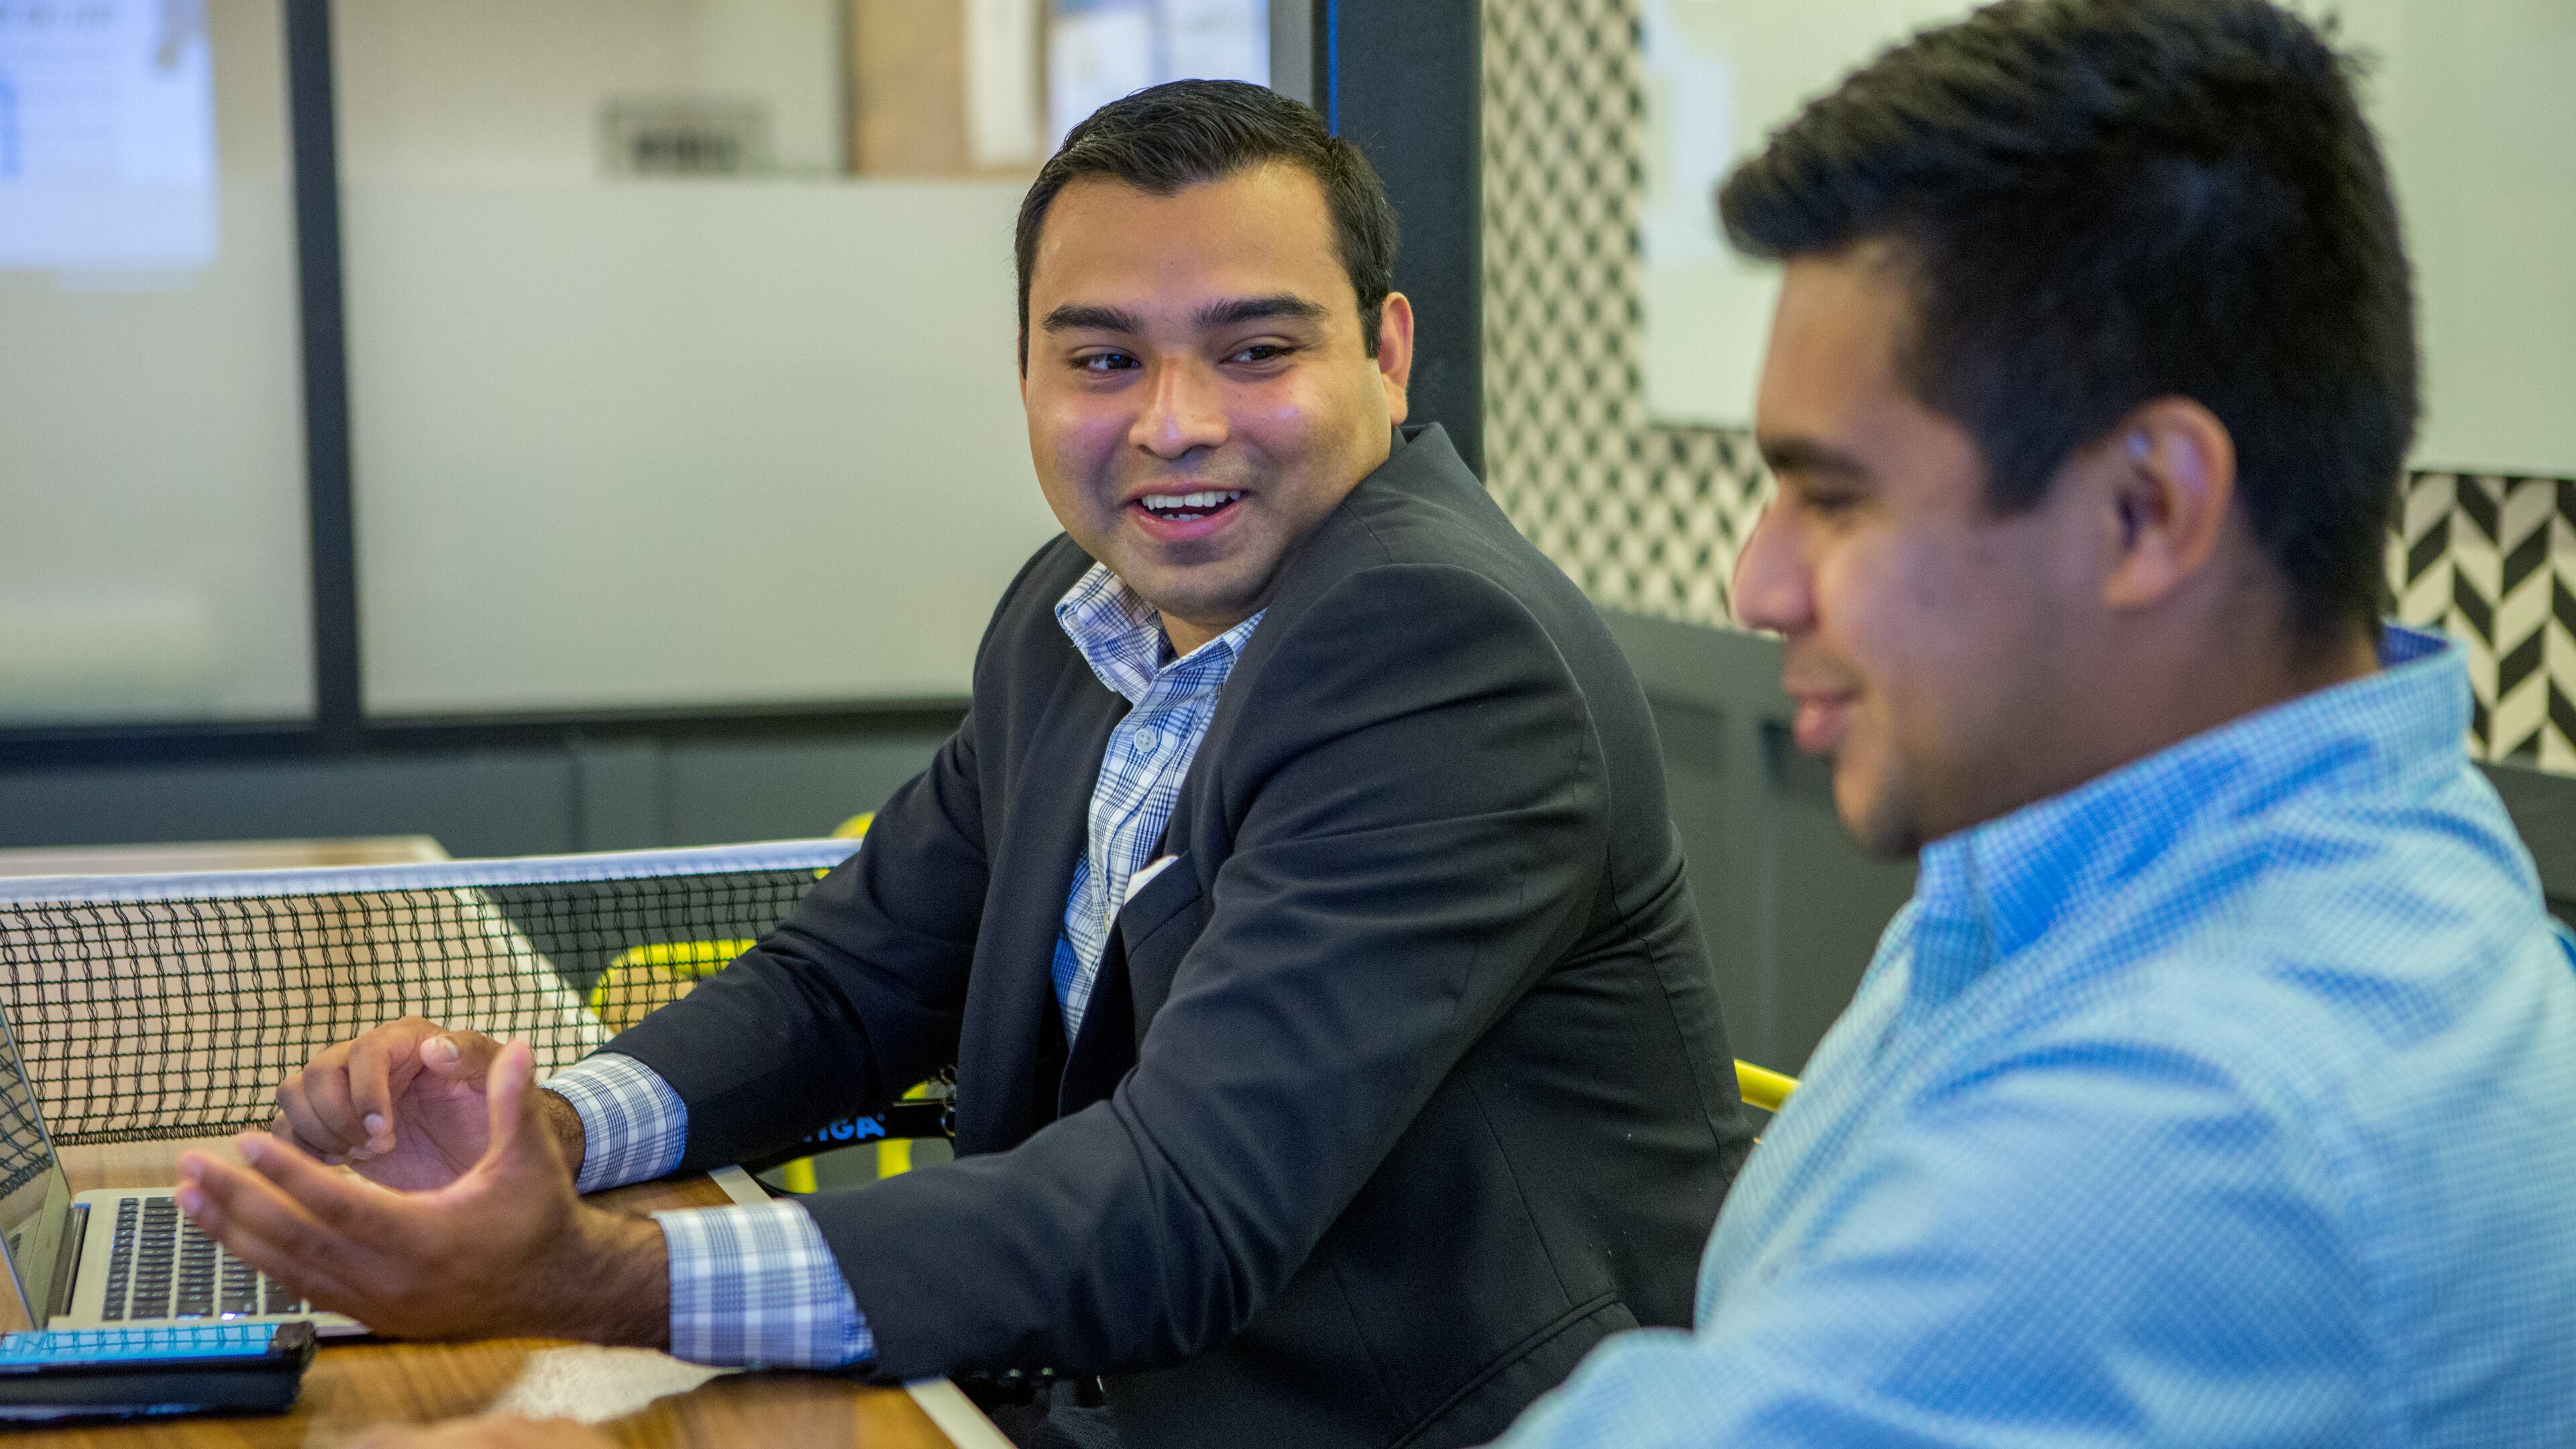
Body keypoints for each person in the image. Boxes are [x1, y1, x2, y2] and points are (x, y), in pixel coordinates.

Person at [174, 81, 1756, 1449]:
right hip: (1085, 1387)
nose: (1176, 423)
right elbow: (848, 983)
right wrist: (557, 1140)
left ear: (1389, 355)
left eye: (1256, 348)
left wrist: (592, 1275)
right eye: (1104, 360)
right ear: (1026, 374)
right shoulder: (1076, 615)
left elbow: (1182, 1203)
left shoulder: (1435, 651)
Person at [1490, 0, 2576, 1444]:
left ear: (2149, 508)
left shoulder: (2201, 1134)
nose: (1758, 584)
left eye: (1836, 497)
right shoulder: (2135, 852)